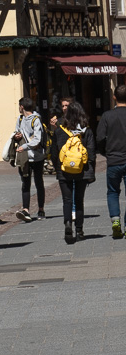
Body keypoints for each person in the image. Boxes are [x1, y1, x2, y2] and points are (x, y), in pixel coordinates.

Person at [50, 102, 95, 243]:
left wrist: (58, 166)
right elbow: (92, 152)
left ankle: (68, 224)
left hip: (64, 170)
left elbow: (53, 152)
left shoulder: (59, 130)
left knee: (67, 200)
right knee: (79, 200)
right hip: (82, 170)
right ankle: (80, 230)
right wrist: (90, 170)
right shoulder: (86, 131)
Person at [96, 84, 126, 239]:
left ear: (114, 97)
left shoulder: (107, 116)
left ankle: (115, 221)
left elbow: (100, 138)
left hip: (114, 160)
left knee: (113, 192)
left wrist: (105, 152)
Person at [13, 97, 46, 222]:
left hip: (37, 156)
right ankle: (26, 210)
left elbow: (37, 139)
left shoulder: (36, 120)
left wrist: (24, 146)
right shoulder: (20, 119)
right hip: (25, 157)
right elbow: (17, 133)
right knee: (25, 183)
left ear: (22, 106)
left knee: (38, 183)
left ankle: (41, 209)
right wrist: (17, 136)